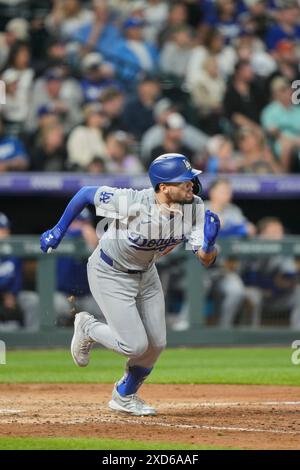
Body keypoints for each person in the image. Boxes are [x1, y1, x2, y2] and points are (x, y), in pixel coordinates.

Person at [40, 153, 220, 416]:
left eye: (191, 179)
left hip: (146, 273)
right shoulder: (133, 202)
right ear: (163, 187)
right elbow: (85, 193)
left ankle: (124, 396)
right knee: (134, 346)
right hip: (109, 271)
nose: (191, 184)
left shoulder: (195, 208)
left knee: (156, 343)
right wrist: (58, 229)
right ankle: (88, 327)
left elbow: (205, 260)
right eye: (184, 180)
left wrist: (209, 245)